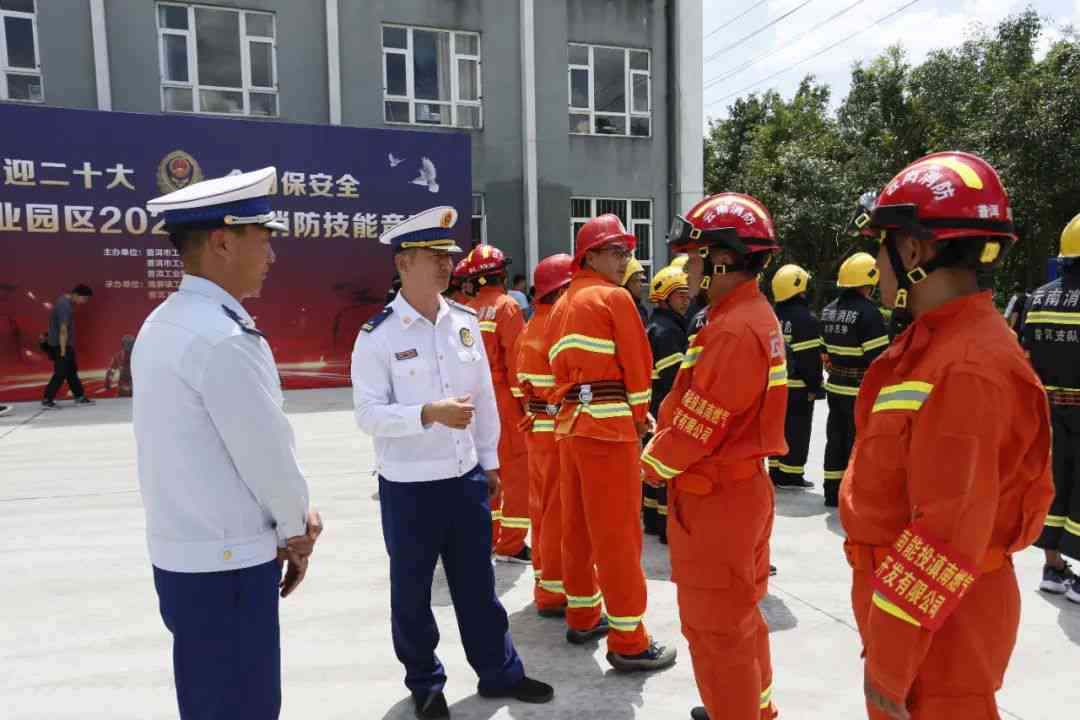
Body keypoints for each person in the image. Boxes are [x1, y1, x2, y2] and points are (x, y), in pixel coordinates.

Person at [839, 151, 1053, 719]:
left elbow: (946, 533)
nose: (874, 266)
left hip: (941, 630)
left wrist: (888, 662)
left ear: (912, 251)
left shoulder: (966, 366)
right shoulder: (931, 346)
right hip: (922, 617)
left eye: (878, 247)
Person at [134, 167, 323, 720]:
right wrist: (297, 527)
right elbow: (266, 453)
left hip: (183, 557)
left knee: (207, 699)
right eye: (262, 241)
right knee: (245, 705)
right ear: (222, 241)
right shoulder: (223, 338)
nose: (270, 256)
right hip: (229, 566)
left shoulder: (165, 322)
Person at [351, 206, 553, 718]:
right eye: (434, 257)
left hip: (464, 482)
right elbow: (368, 414)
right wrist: (426, 413)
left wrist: (490, 464)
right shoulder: (377, 336)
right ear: (403, 262)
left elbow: (485, 398)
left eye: (449, 257)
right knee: (413, 595)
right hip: (409, 488)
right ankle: (426, 682)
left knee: (478, 588)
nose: (447, 266)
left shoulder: (463, 324)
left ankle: (500, 672)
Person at [642, 193, 786, 720]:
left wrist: (649, 464)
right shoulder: (740, 315)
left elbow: (701, 420)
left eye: (697, 258)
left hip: (716, 498)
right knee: (740, 617)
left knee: (714, 627)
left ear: (723, 259)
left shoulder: (733, 327)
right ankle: (753, 709)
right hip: (735, 489)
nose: (690, 268)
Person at [546, 213, 676, 672]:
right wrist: (641, 417)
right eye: (617, 252)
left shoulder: (562, 304)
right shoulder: (614, 298)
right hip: (609, 428)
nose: (626, 260)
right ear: (591, 255)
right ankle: (629, 638)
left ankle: (582, 613)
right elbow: (639, 369)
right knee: (619, 535)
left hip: (571, 427)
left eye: (626, 252)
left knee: (578, 528)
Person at [513, 253, 575, 617]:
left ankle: (545, 579)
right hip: (557, 435)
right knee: (558, 514)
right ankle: (554, 589)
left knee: (542, 509)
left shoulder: (530, 326)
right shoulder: (558, 326)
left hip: (538, 431)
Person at [461, 244, 532, 564]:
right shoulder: (506, 307)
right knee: (516, 472)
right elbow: (516, 360)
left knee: (487, 467)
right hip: (503, 397)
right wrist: (526, 404)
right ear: (501, 274)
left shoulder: (464, 310)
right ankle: (512, 544)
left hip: (473, 399)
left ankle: (490, 536)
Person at [1026, 211, 1080, 601]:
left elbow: (1025, 352)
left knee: (1054, 483)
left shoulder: (1039, 297)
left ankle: (1053, 565)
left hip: (1047, 406)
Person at [820, 252, 891, 506]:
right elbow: (880, 359)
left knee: (834, 438)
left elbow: (823, 350)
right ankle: (851, 494)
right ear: (868, 282)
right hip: (860, 390)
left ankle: (831, 492)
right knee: (855, 442)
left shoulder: (828, 311)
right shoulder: (869, 314)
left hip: (835, 386)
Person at [642, 263, 691, 543]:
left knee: (652, 465)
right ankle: (666, 527)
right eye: (679, 294)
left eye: (686, 293)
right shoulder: (667, 331)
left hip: (655, 405)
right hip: (665, 406)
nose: (686, 298)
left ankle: (652, 520)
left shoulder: (661, 324)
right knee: (665, 467)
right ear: (664, 298)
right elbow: (675, 377)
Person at [769, 264, 822, 490]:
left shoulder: (770, 314)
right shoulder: (806, 320)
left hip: (773, 385)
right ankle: (791, 476)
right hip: (798, 387)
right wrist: (815, 386)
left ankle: (775, 470)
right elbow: (810, 358)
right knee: (797, 431)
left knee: (776, 427)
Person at [42, 284, 95, 409]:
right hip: (61, 345)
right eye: (85, 299)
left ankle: (79, 396)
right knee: (60, 372)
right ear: (76, 295)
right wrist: (63, 349)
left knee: (71, 371)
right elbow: (63, 329)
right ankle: (47, 399)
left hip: (64, 344)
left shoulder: (64, 302)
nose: (84, 302)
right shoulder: (65, 306)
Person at [622, 257, 649, 325]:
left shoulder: (639, 307)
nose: (641, 285)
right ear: (625, 283)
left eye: (641, 281)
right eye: (637, 280)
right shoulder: (622, 309)